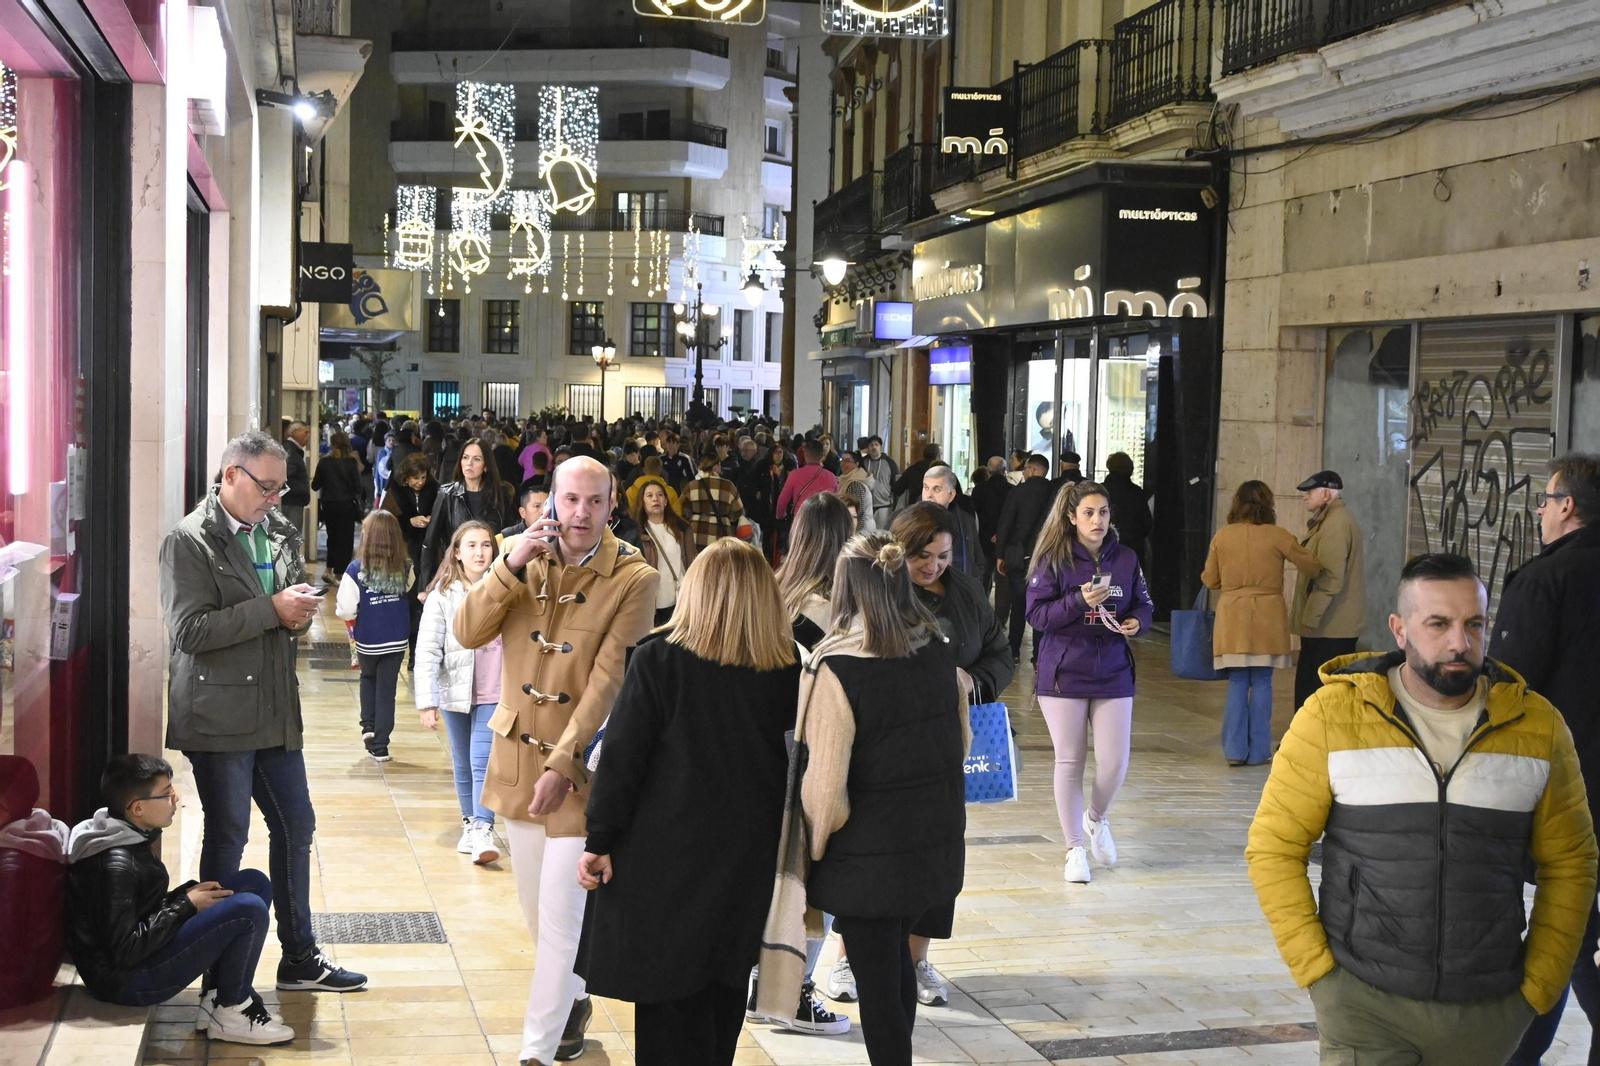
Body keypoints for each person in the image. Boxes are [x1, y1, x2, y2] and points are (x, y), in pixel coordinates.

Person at [1247, 553, 1598, 1066]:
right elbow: (1274, 847)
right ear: (1400, 629)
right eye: (1438, 624)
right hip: (1365, 1006)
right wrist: (1319, 975)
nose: (1460, 642)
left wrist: (1538, 989)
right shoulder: (1333, 715)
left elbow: (1571, 863)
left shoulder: (1537, 727)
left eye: (1473, 624)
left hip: (1488, 1012)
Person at [454, 456, 659, 1066]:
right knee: (541, 924)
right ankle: (572, 999)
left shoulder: (634, 577)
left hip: (583, 773)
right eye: (570, 500)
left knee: (563, 923)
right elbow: (467, 631)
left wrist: (564, 763)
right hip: (516, 761)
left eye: (595, 502)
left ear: (612, 503)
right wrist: (509, 566)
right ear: (547, 503)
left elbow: (609, 680)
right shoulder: (519, 553)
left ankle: (534, 1053)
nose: (581, 514)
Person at [576, 540, 804, 1064]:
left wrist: (600, 840)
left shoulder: (660, 660)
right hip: (749, 859)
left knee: (666, 1012)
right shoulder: (788, 669)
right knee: (723, 1001)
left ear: (696, 592)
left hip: (665, 860)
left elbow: (622, 764)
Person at [159, 430, 366, 994]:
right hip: (219, 712)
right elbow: (190, 631)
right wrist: (272, 609)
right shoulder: (189, 541)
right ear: (230, 476)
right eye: (267, 487)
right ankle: (220, 974)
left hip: (274, 706)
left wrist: (296, 615)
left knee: (296, 825)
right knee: (228, 835)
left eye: (282, 488)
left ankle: (299, 956)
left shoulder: (275, 530)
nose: (277, 499)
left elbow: (282, 605)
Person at [761, 532, 968, 1066]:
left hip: (866, 857)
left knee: (878, 988)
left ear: (846, 589)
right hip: (933, 840)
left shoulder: (837, 666)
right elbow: (961, 742)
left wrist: (817, 849)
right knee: (893, 966)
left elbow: (824, 789)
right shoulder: (937, 651)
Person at [66, 755, 292, 1045]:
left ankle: (218, 999)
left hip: (139, 959)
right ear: (138, 808)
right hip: (128, 982)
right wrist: (185, 904)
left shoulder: (125, 833)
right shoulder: (115, 864)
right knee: (246, 909)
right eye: (167, 793)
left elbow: (140, 912)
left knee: (252, 884)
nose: (176, 798)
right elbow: (124, 950)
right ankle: (231, 1013)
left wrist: (184, 897)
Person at [888, 502, 1014, 1007]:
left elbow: (999, 654)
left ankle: (918, 960)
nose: (934, 566)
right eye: (923, 556)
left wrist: (974, 682)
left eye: (943, 556)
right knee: (882, 857)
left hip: (948, 749)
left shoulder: (963, 590)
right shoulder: (881, 591)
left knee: (941, 859)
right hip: (891, 748)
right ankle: (857, 956)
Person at [1498, 453, 1600, 1066]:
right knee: (1575, 932)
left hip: (1569, 792)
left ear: (1566, 506)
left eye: (1544, 499)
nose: (1539, 510)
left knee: (1565, 934)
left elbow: (1513, 694)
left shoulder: (1544, 580)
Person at [1026, 480, 1154, 884]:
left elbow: (1144, 603)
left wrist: (1139, 621)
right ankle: (1074, 849)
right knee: (1070, 759)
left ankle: (1096, 818)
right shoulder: (1052, 559)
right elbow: (1037, 616)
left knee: (1116, 761)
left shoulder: (1127, 558)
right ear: (1071, 518)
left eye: (1103, 512)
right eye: (1088, 513)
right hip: (1063, 671)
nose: (1097, 520)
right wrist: (1079, 600)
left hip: (1113, 668)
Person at [1201, 481, 1323, 767]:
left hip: (1232, 616)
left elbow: (1210, 579)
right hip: (1268, 614)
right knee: (1263, 682)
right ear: (1269, 504)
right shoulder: (1278, 535)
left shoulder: (1223, 536)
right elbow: (1312, 566)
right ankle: (1259, 751)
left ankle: (1234, 750)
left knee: (1237, 682)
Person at [416, 520, 503, 866]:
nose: (480, 552)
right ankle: (469, 821)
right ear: (456, 552)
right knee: (463, 762)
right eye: (472, 545)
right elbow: (427, 649)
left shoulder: (505, 587)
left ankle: (484, 826)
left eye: (485, 545)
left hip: (496, 691)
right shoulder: (442, 596)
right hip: (455, 691)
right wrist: (427, 701)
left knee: (484, 760)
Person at [335, 510, 415, 763]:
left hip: (368, 638)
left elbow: (346, 608)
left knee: (367, 678)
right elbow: (409, 589)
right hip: (397, 638)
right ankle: (381, 745)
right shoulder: (406, 566)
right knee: (387, 690)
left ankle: (368, 727)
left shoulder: (356, 569)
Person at [1290, 470, 1367, 713]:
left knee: (1318, 692)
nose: (1305, 498)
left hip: (1330, 626)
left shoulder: (1336, 524)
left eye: (1309, 492)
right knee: (1314, 689)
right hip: (1328, 624)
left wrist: (1310, 619)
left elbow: (1330, 577)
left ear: (1326, 493)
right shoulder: (1330, 520)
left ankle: (1311, 743)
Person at [420, 437, 513, 591]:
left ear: (485, 466)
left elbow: (509, 536)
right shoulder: (447, 494)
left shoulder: (500, 495)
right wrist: (425, 586)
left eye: (476, 459)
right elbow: (430, 542)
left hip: (492, 575)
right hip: (456, 576)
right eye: (465, 457)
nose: (469, 463)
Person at [994, 454, 1054, 665]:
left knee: (1018, 604)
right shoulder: (1053, 493)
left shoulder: (1018, 491)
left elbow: (1006, 523)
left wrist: (1000, 555)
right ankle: (1039, 655)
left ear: (1033, 470)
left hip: (1018, 558)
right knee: (1042, 605)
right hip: (1046, 559)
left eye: (1026, 468)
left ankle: (1014, 651)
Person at [380, 453, 439, 671]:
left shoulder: (434, 489)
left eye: (423, 477)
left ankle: (418, 655)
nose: (420, 482)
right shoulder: (396, 491)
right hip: (404, 553)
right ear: (406, 477)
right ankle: (401, 653)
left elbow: (443, 514)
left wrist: (432, 521)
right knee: (404, 604)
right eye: (415, 478)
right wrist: (408, 521)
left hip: (429, 552)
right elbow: (386, 519)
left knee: (422, 605)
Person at [635, 477, 698, 626]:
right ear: (642, 502)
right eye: (649, 495)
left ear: (666, 501)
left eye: (660, 495)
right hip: (654, 601)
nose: (655, 499)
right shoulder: (637, 534)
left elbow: (692, 561)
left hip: (680, 597)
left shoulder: (681, 528)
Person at [312, 431, 363, 585]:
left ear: (331, 444)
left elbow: (315, 485)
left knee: (332, 537)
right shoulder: (351, 462)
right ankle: (340, 573)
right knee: (345, 539)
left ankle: (329, 569)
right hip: (346, 503)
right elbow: (358, 488)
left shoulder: (324, 462)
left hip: (329, 504)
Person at [921, 466, 981, 580]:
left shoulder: (965, 521)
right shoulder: (906, 519)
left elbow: (977, 558)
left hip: (960, 589)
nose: (929, 495)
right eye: (926, 487)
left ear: (951, 495)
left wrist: (974, 584)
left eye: (937, 489)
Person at [680, 452, 747, 548]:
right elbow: (738, 510)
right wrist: (726, 518)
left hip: (697, 533)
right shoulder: (728, 486)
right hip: (720, 533)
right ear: (716, 466)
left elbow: (682, 508)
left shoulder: (692, 485)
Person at [971, 455, 1013, 606]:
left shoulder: (979, 490)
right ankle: (1000, 619)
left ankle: (981, 611)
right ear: (1004, 471)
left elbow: (974, 516)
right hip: (1006, 541)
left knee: (983, 577)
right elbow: (1013, 518)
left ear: (988, 471)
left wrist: (987, 534)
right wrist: (1001, 535)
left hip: (983, 540)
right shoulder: (1011, 490)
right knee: (1003, 581)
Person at [1101, 452, 1152, 568]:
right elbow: (1146, 523)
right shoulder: (1137, 492)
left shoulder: (1100, 490)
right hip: (1132, 546)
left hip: (1104, 546)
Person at [742, 444, 787, 565]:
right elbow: (750, 482)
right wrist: (757, 491)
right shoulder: (762, 468)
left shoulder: (787, 469)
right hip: (765, 509)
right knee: (766, 537)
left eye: (781, 452)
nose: (779, 455)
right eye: (776, 452)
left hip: (780, 509)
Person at [777, 440, 840, 525]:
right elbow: (837, 502)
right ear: (822, 456)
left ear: (805, 454)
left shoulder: (795, 474)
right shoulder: (831, 477)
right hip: (825, 521)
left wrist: (780, 515)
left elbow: (783, 500)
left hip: (801, 520)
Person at [862, 436, 900, 530]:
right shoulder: (863, 462)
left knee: (881, 532)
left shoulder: (890, 463)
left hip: (884, 504)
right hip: (866, 505)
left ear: (881, 447)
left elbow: (896, 484)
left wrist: (895, 503)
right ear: (868, 448)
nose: (874, 447)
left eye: (876, 444)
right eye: (871, 445)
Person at [281, 421, 311, 541]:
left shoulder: (293, 450)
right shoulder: (291, 451)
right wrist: (303, 490)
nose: (308, 436)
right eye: (305, 432)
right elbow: (288, 477)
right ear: (295, 433)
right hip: (291, 503)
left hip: (293, 501)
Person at [835, 450, 876, 534]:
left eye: (847, 461)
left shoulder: (855, 484)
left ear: (856, 464)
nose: (843, 463)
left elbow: (859, 513)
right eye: (842, 460)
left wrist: (852, 532)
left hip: (861, 532)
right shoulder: (847, 479)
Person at [894, 443, 941, 510]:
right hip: (936, 508)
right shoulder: (942, 471)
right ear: (937, 456)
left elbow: (898, 488)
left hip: (915, 509)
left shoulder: (913, 469)